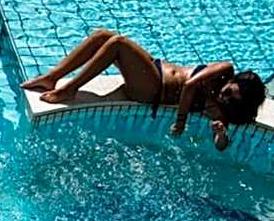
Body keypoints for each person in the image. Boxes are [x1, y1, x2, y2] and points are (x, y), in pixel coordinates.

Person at [21, 29, 266, 151]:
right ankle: (52, 77)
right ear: (237, 80)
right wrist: (181, 120)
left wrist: (220, 133)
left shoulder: (221, 111)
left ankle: (70, 89)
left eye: (231, 99)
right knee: (103, 35)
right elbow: (191, 84)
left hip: (153, 90)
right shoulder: (224, 69)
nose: (224, 95)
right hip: (155, 70)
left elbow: (221, 144)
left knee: (118, 44)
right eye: (229, 90)